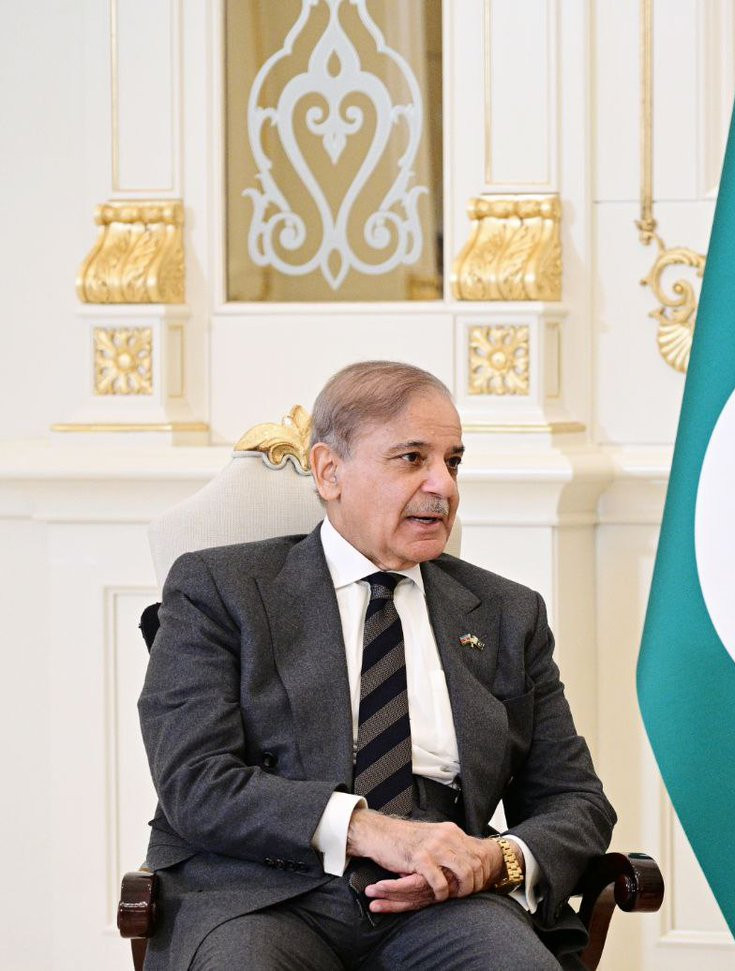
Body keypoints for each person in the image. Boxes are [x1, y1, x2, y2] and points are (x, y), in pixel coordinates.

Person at [138, 361, 616, 970]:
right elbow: (195, 781)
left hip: (443, 900)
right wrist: (369, 829)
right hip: (261, 892)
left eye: (453, 462)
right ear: (329, 472)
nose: (443, 486)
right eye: (412, 458)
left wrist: (494, 861)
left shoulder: (506, 613)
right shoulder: (221, 589)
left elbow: (575, 799)